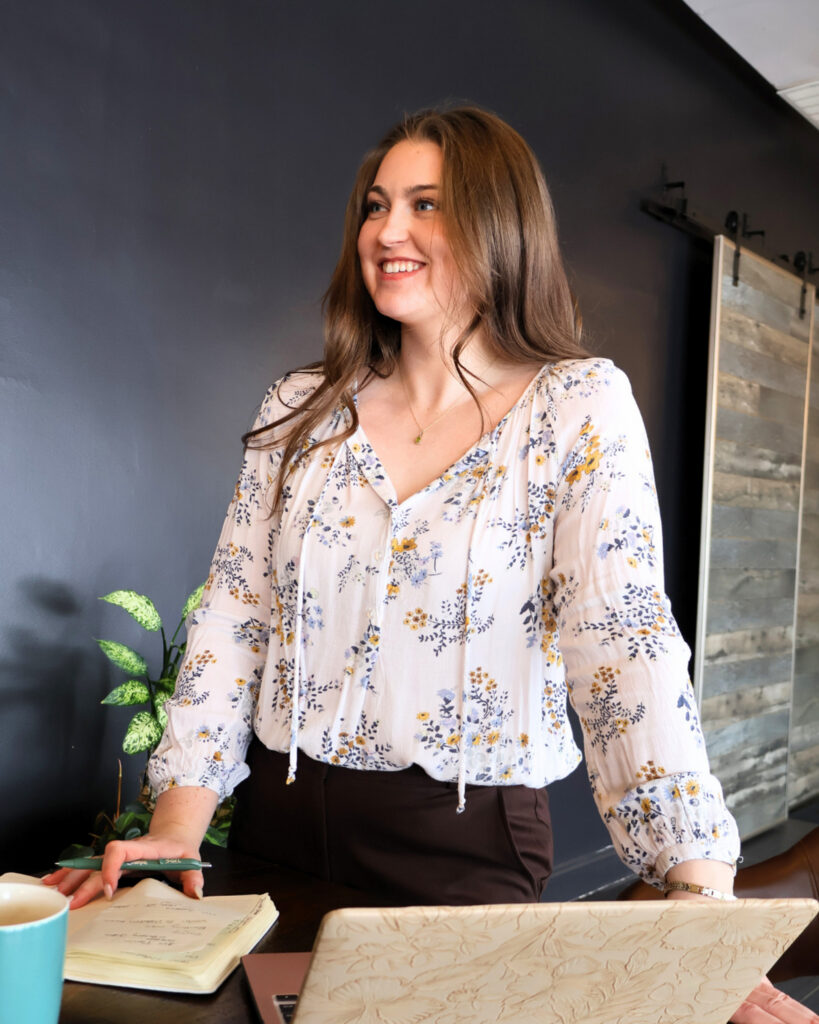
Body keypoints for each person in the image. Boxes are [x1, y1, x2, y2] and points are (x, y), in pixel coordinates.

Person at [45, 106, 816, 1022]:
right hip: (277, 831)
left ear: (500, 226)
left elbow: (623, 645)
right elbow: (234, 615)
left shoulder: (575, 408)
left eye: (425, 204)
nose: (387, 231)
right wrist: (175, 825)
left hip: (465, 848)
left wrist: (697, 906)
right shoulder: (303, 409)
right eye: (375, 206)